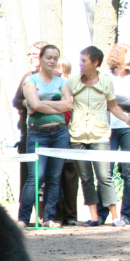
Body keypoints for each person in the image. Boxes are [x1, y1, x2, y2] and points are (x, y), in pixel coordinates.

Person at [67, 45, 130, 227]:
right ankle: (96, 216)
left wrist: (124, 115)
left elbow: (112, 103)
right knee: (92, 175)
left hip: (112, 131)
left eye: (83, 60)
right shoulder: (80, 81)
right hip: (90, 132)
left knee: (114, 174)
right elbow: (66, 102)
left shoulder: (106, 82)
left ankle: (120, 215)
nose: (80, 64)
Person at [17, 45, 73, 228]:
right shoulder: (30, 81)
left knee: (54, 177)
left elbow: (68, 105)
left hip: (60, 133)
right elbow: (33, 104)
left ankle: (49, 218)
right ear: (40, 58)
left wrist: (42, 104)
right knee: (36, 176)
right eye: (49, 57)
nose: (52, 61)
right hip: (37, 133)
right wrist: (55, 105)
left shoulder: (62, 82)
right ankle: (23, 218)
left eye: (55, 58)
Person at [13, 41, 47, 193]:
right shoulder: (28, 77)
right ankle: (25, 212)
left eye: (35, 54)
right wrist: (29, 102)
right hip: (29, 131)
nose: (31, 57)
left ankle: (51, 213)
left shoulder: (56, 79)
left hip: (50, 131)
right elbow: (16, 101)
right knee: (28, 173)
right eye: (30, 54)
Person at [52, 55, 79, 226]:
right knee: (55, 174)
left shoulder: (71, 87)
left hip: (71, 133)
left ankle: (70, 214)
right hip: (54, 133)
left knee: (70, 175)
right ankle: (57, 214)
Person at [106, 43, 130, 228]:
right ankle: (100, 213)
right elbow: (107, 98)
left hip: (127, 128)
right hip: (108, 129)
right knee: (104, 172)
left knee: (128, 172)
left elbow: (113, 99)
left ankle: (127, 214)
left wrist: (116, 101)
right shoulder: (105, 77)